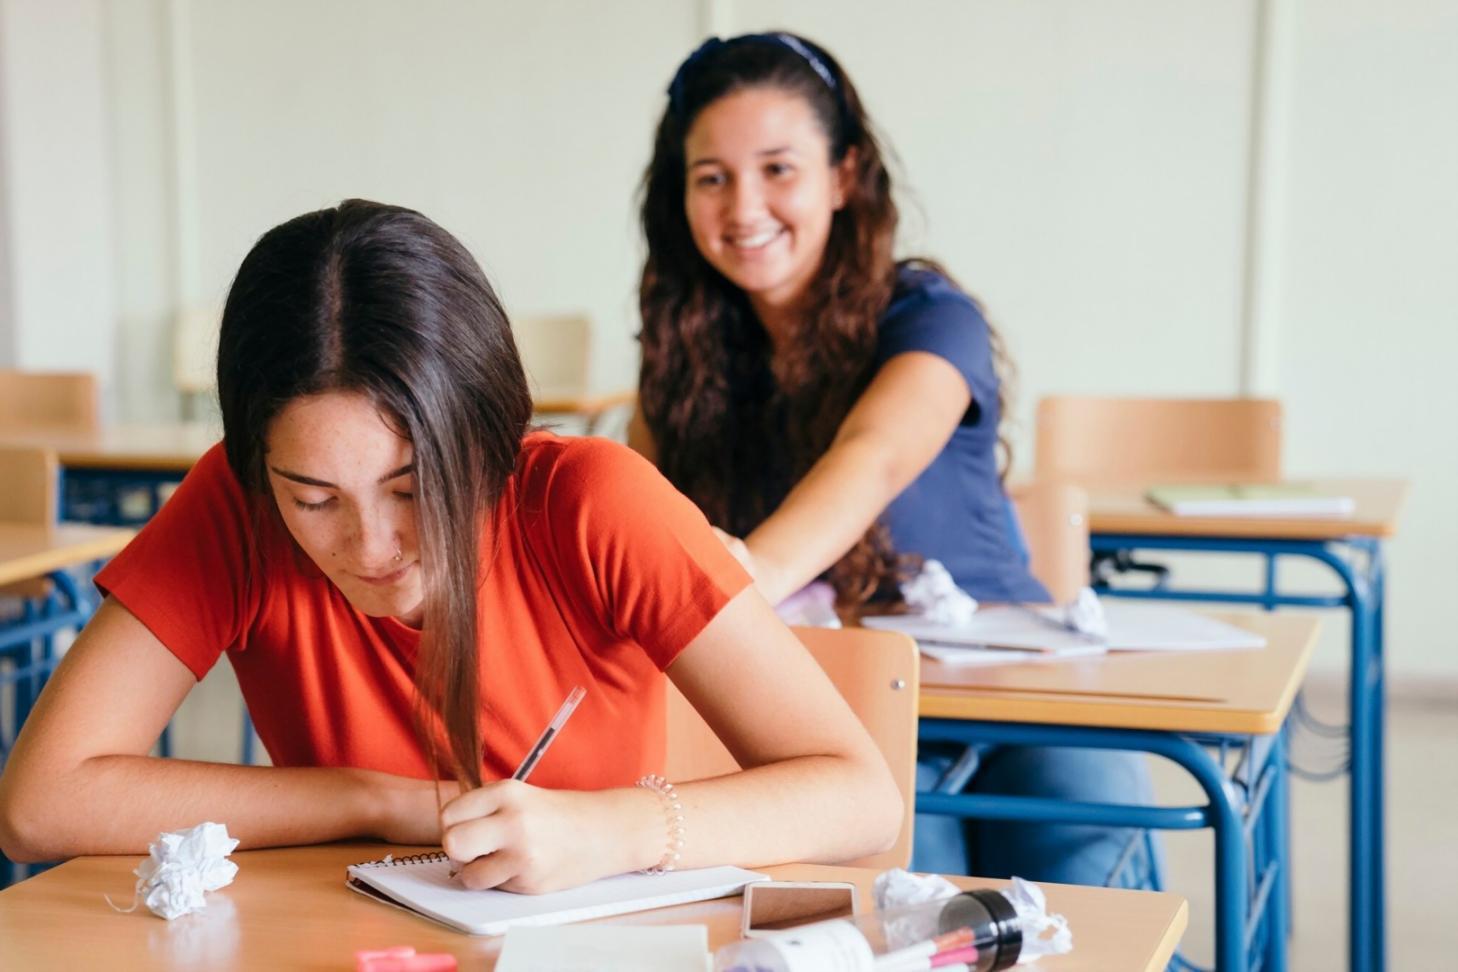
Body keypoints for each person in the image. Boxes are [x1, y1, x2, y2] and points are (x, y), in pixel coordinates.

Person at [0, 200, 900, 893]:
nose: (372, 546)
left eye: (414, 487)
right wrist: (380, 800)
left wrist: (609, 831)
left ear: (493, 435)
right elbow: (40, 805)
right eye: (314, 500)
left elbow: (860, 796)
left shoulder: (593, 505)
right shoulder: (236, 507)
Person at [632, 33, 1154, 885]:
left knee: (1085, 869)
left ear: (843, 175)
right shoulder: (677, 366)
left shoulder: (932, 318)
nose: (743, 206)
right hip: (835, 720)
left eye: (777, 168)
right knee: (907, 910)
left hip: (1012, 695)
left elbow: (873, 458)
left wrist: (742, 576)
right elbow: (640, 526)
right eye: (711, 178)